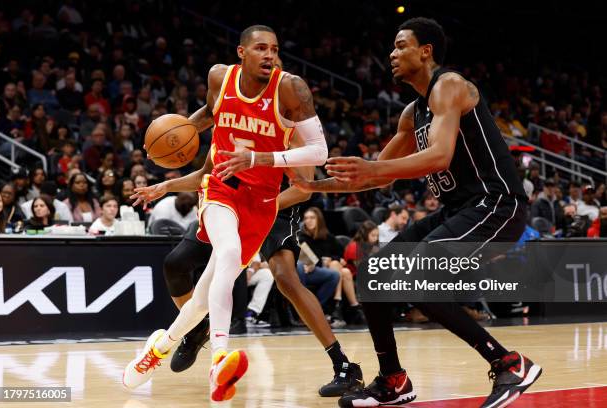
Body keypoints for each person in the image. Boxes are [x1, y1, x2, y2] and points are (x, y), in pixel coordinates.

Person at [292, 18, 541, 408]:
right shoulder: (412, 112)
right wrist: (312, 187)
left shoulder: (451, 85)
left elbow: (438, 155)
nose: (392, 53)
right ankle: (393, 379)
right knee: (374, 272)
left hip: (497, 204)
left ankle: (510, 363)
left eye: (401, 45)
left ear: (425, 51)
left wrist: (373, 168)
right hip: (459, 209)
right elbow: (373, 178)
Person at [122, 25, 329, 403]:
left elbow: (319, 152)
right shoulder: (220, 77)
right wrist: (181, 134)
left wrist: (262, 158)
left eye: (275, 49)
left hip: (262, 204)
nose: (269, 55)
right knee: (229, 252)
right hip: (220, 189)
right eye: (261, 48)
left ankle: (158, 349)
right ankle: (220, 359)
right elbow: (209, 113)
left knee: (202, 299)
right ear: (241, 53)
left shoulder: (291, 88)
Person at [299, 207, 363, 327]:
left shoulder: (328, 237)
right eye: (306, 218)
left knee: (344, 271)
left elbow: (341, 255)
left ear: (319, 220)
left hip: (331, 269)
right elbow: (309, 261)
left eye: (312, 218)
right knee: (339, 269)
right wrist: (329, 260)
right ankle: (343, 306)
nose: (308, 221)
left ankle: (342, 305)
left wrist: (331, 259)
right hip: (314, 270)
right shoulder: (302, 238)